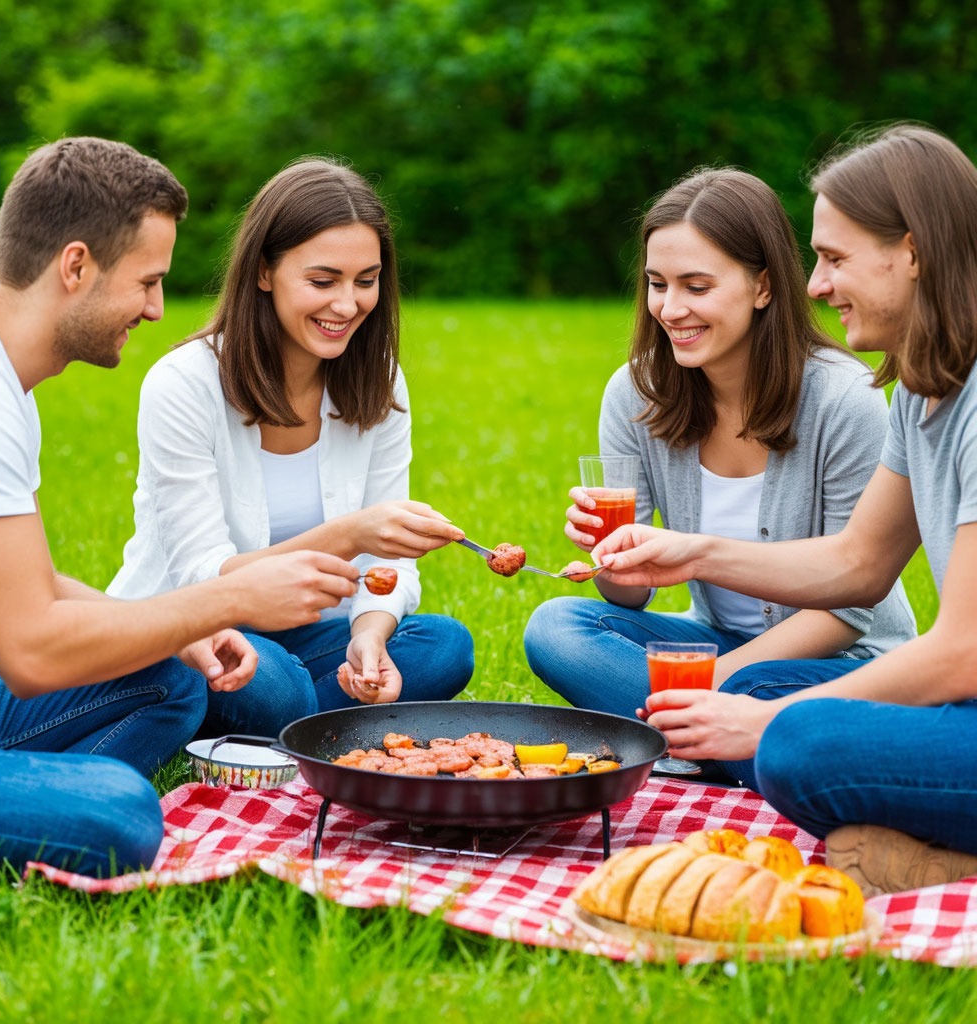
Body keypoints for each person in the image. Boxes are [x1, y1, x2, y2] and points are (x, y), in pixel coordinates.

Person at [0, 137, 364, 877]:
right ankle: (33, 795)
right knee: (121, 814)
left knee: (170, 674)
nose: (156, 309)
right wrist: (229, 597)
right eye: (147, 282)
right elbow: (31, 652)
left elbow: (36, 589)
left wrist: (184, 630)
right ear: (75, 266)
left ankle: (5, 789)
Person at [593, 124, 977, 896]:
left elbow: (962, 649)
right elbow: (858, 564)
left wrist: (764, 721)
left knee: (794, 737)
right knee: (776, 713)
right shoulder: (921, 394)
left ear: (913, 252)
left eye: (834, 258)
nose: (817, 284)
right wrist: (695, 554)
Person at [523, 167, 916, 775]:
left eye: (696, 286)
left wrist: (713, 681)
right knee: (556, 627)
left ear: (762, 286)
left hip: (842, 658)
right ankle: (716, 742)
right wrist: (611, 554)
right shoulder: (637, 393)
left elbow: (848, 612)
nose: (670, 308)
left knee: (755, 694)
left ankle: (690, 736)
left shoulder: (845, 400)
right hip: (714, 646)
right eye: (657, 284)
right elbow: (632, 593)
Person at [108, 156, 474, 737]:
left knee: (445, 646)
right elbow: (207, 580)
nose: (347, 305)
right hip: (199, 633)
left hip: (314, 638)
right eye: (323, 281)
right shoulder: (184, 384)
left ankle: (293, 724)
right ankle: (314, 721)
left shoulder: (379, 379)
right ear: (263, 271)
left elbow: (388, 559)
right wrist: (351, 533)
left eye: (366, 280)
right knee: (272, 683)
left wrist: (368, 638)